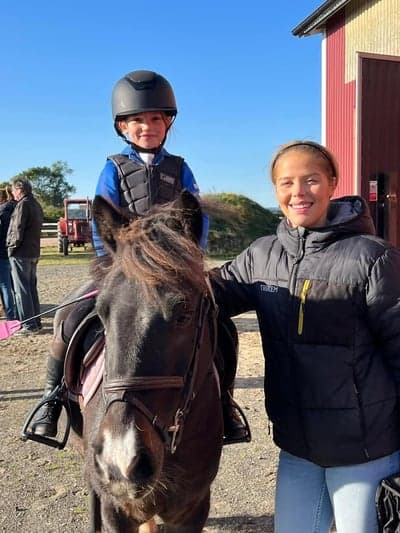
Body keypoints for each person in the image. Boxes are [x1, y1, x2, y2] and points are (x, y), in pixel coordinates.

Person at [27, 69, 248, 446]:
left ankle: (225, 402)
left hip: (171, 267)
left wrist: (191, 259)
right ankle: (52, 398)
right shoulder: (113, 168)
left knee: (221, 324)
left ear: (167, 124)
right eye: (138, 121)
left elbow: (197, 216)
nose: (147, 126)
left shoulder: (181, 168)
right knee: (70, 313)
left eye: (155, 120)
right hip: (123, 265)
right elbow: (102, 216)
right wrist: (112, 262)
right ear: (123, 128)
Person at [211, 140, 400, 533]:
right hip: (298, 448)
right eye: (286, 183)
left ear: (332, 183)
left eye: (311, 180)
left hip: (365, 449)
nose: (298, 193)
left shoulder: (373, 258)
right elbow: (207, 295)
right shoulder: (261, 255)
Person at [7, 177, 44, 334]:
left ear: (20, 189)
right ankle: (36, 321)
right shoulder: (36, 204)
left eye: (14, 190)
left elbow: (17, 229)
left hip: (21, 252)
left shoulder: (23, 205)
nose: (13, 193)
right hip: (33, 251)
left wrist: (11, 247)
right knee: (30, 288)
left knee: (22, 290)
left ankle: (29, 325)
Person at [0, 187, 17, 319]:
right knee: (12, 285)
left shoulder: (2, 210)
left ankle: (10, 316)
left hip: (2, 251)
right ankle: (16, 312)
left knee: (5, 285)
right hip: (13, 250)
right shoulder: (17, 207)